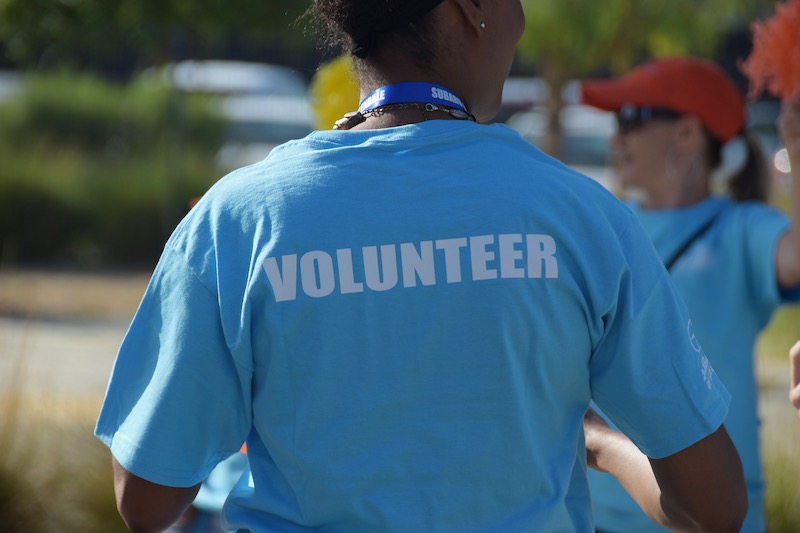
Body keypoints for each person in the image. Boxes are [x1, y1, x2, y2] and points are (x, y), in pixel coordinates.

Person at [95, 2, 746, 531]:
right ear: (473, 9)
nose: (520, 21)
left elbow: (147, 498)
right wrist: (599, 443)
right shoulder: (582, 217)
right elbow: (713, 506)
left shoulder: (234, 220)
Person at [581, 56, 800, 533]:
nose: (617, 138)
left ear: (686, 134)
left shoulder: (740, 228)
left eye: (632, 119)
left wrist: (797, 150)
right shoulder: (603, 223)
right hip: (604, 516)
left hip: (712, 515)